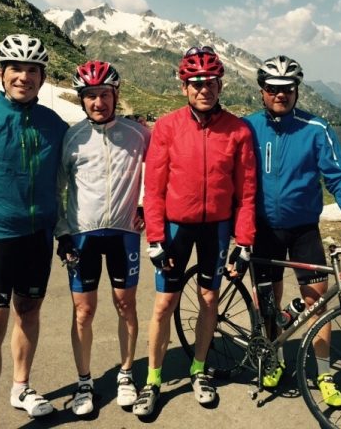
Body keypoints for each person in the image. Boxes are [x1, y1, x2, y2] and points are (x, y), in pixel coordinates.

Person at [243, 55, 341, 407]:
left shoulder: (317, 129)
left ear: (297, 90)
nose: (281, 94)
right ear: (262, 91)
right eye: (273, 88)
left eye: (288, 88)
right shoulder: (247, 127)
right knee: (267, 305)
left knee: (318, 303)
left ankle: (324, 373)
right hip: (263, 231)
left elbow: (338, 179)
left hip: (303, 231)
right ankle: (274, 359)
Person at [132, 46, 257, 417]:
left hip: (216, 229)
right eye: (197, 83)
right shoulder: (167, 126)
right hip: (176, 228)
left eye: (211, 83)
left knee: (209, 299)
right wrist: (155, 238)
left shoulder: (238, 130)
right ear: (184, 87)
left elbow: (247, 192)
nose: (204, 89)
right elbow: (154, 189)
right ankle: (153, 379)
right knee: (164, 304)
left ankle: (199, 370)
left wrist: (245, 241)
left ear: (220, 86)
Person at [0, 34, 69, 429]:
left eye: (32, 70)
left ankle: (20, 388)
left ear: (42, 77)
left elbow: (71, 178)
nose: (24, 77)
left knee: (29, 313)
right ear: (0, 74)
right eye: (15, 69)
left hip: (38, 237)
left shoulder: (54, 124)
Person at [54, 61, 151, 416]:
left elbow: (158, 171)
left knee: (126, 305)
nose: (98, 102)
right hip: (83, 235)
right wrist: (62, 232)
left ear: (115, 95)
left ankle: (126, 375)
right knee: (84, 311)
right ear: (82, 99)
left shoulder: (139, 134)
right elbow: (56, 189)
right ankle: (84, 382)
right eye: (91, 95)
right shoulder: (72, 137)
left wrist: (145, 205)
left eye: (105, 94)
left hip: (124, 233)